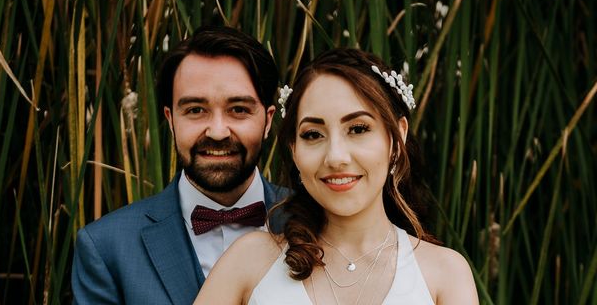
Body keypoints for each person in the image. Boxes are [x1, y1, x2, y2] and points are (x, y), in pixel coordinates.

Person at [195, 48, 478, 304]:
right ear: (294, 150)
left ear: (397, 137)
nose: (336, 157)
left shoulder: (444, 274)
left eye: (357, 129)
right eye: (313, 134)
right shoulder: (249, 261)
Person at [72, 25, 287, 304]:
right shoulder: (106, 247)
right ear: (171, 120)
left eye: (238, 110)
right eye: (196, 110)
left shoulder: (320, 223)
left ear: (268, 120)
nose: (218, 131)